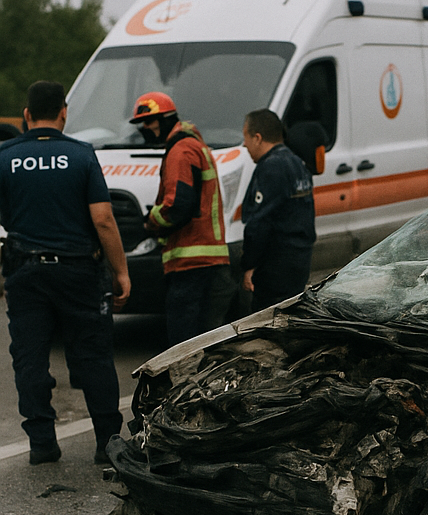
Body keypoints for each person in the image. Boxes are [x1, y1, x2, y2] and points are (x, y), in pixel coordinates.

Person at [0, 80, 130, 465]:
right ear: (64, 112)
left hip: (25, 272)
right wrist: (120, 271)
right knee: (92, 356)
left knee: (30, 358)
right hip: (78, 272)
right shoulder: (81, 155)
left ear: (26, 115)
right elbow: (103, 220)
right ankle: (108, 443)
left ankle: (42, 443)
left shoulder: (4, 156)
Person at [131, 91, 231, 345]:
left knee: (184, 343)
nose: (145, 128)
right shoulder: (193, 145)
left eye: (149, 121)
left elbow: (178, 206)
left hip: (191, 264)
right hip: (205, 260)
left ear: (166, 118)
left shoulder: (180, 150)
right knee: (204, 341)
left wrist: (149, 222)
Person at [240, 108, 316, 310]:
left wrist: (249, 264)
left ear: (257, 138)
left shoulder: (271, 167)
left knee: (267, 320)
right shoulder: (298, 163)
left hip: (275, 266)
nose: (244, 144)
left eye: (246, 138)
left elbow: (259, 223)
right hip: (299, 259)